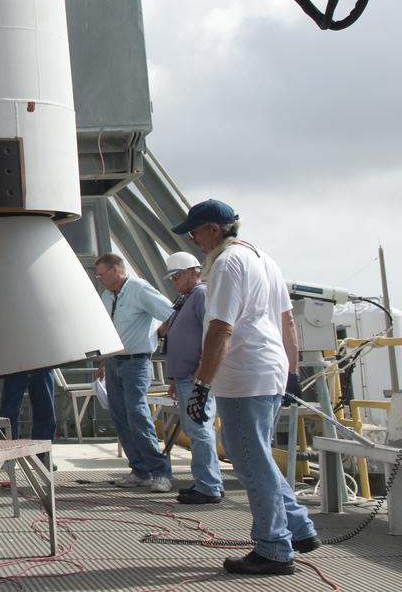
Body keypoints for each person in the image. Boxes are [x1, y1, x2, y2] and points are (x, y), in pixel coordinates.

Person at [176, 199, 319, 576]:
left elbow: (221, 328)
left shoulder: (225, 264)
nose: (193, 240)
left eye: (195, 232)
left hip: (244, 375)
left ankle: (273, 548)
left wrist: (201, 385)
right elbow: (288, 322)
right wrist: (291, 374)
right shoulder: (265, 260)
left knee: (250, 463)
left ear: (214, 230)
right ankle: (300, 528)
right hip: (269, 371)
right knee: (260, 457)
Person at [94, 252, 175, 492]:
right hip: (114, 362)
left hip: (136, 362)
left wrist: (157, 335)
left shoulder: (139, 288)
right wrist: (103, 360)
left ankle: (160, 472)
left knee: (137, 415)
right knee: (120, 416)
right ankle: (140, 470)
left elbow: (171, 314)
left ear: (116, 270)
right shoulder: (108, 295)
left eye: (102, 274)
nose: (99, 279)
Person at [156, 251, 224, 504]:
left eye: (178, 274)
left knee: (199, 427)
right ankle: (208, 481)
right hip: (185, 377)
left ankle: (208, 486)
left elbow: (212, 333)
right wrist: (174, 378)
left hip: (195, 377)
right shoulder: (186, 298)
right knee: (195, 428)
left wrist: (201, 370)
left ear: (194, 272)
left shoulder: (201, 295)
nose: (174, 280)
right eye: (172, 276)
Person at [0, 369, 56, 441]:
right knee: (9, 414)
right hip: (18, 364)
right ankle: (7, 447)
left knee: (45, 412)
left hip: (41, 364)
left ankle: (43, 449)